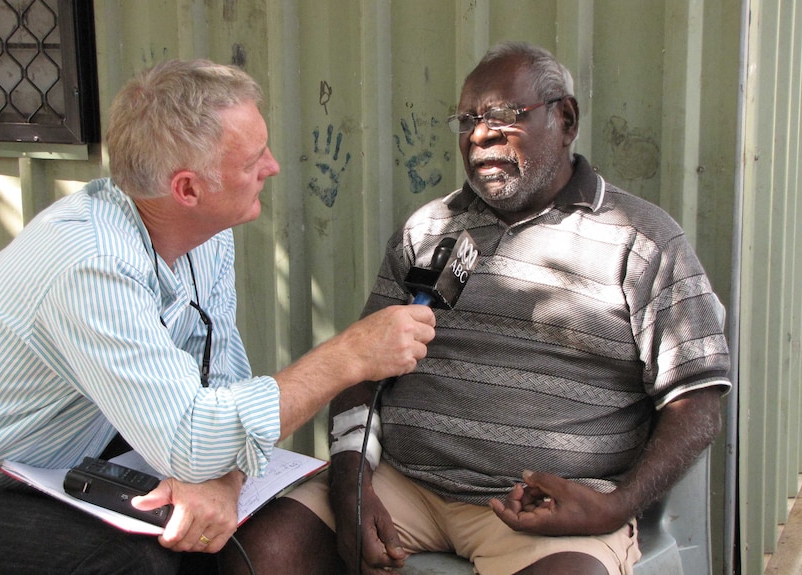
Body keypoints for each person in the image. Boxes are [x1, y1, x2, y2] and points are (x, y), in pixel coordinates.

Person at [223, 41, 731, 575]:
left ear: (566, 118)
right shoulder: (428, 231)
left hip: (541, 508)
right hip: (405, 485)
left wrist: (618, 504)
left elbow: (696, 401)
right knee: (263, 550)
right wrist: (352, 482)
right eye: (466, 120)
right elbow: (361, 370)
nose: (479, 136)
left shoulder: (642, 241)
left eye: (506, 117)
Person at [0, 59, 436, 575]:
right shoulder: (91, 261)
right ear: (188, 190)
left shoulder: (204, 235)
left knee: (224, 534)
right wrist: (351, 355)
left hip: (48, 453)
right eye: (252, 160)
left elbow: (219, 382)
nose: (273, 167)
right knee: (135, 562)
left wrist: (223, 481)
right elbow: (193, 440)